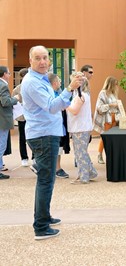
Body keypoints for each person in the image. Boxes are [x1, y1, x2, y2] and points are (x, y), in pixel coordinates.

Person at [21, 45, 84, 240]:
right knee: (46, 180)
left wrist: (70, 90)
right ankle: (40, 226)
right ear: (30, 61)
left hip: (46, 133)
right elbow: (51, 106)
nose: (42, 62)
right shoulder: (33, 82)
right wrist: (69, 88)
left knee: (47, 179)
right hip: (44, 135)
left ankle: (44, 217)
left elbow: (58, 104)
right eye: (37, 58)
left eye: (45, 58)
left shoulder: (41, 79)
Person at [66, 72, 97, 184]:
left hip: (79, 128)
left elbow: (74, 111)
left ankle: (84, 176)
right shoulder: (84, 95)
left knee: (80, 153)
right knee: (82, 152)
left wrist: (65, 104)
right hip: (81, 127)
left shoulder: (80, 96)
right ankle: (90, 172)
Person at [93, 76, 122, 164]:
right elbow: (99, 107)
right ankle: (100, 155)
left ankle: (110, 156)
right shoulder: (103, 93)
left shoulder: (113, 94)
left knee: (112, 138)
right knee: (104, 137)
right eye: (115, 84)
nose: (117, 86)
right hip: (106, 119)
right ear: (111, 84)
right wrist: (111, 105)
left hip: (114, 118)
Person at [47, 74, 70, 179]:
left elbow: (65, 104)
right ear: (55, 82)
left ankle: (57, 168)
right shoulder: (50, 94)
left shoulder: (57, 92)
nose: (60, 83)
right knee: (53, 147)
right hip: (51, 126)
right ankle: (53, 168)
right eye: (59, 81)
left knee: (59, 147)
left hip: (59, 125)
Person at [0, 66, 19, 179]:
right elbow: (6, 102)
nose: (10, 75)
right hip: (3, 119)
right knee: (1, 145)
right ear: (4, 74)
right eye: (9, 73)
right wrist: (16, 98)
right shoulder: (3, 86)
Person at [12, 68, 31, 167]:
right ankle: (24, 157)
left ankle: (35, 157)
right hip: (22, 117)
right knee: (22, 137)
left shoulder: (33, 87)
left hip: (32, 116)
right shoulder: (16, 89)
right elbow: (13, 103)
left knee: (33, 136)